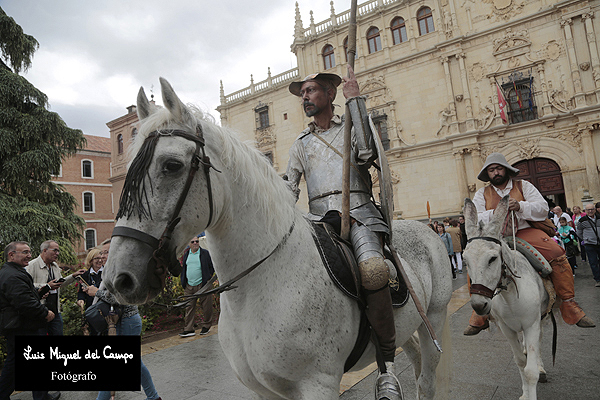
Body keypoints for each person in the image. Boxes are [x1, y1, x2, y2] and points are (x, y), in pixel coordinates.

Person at [284, 67, 401, 398]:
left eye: (311, 91)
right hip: (319, 220)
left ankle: (388, 368)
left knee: (374, 271)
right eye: (303, 93)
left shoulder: (350, 125)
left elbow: (366, 154)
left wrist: (356, 102)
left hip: (360, 213)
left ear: (330, 94)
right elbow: (289, 188)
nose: (305, 97)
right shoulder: (300, 143)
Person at [464, 153, 594, 335]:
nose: (496, 172)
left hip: (525, 232)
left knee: (556, 253)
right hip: (494, 236)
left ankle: (568, 303)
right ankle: (479, 314)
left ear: (506, 169)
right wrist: (499, 211)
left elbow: (542, 209)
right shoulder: (481, 193)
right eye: (492, 170)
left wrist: (521, 206)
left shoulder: (523, 185)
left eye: (499, 168)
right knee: (476, 259)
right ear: (488, 173)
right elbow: (477, 217)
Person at [84, 240, 162, 400]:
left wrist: (97, 292)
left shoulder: (123, 271)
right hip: (118, 323)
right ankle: (154, 397)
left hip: (127, 322)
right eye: (102, 252)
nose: (103, 255)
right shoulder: (110, 270)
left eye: (107, 252)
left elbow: (123, 298)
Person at [0, 242, 59, 400]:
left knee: (14, 365)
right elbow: (24, 303)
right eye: (25, 252)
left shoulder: (13, 272)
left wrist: (38, 294)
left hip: (20, 326)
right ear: (11, 255)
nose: (29, 255)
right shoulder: (12, 275)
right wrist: (45, 313)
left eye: (29, 251)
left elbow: (20, 299)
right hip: (23, 327)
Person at [25, 240, 84, 336]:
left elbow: (59, 283)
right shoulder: (32, 265)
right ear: (45, 250)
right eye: (55, 250)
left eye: (58, 251)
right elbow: (27, 286)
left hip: (55, 310)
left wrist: (73, 276)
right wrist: (47, 286)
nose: (57, 253)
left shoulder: (54, 266)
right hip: (40, 311)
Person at [179, 235, 215, 337]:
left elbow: (211, 266)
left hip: (202, 285)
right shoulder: (186, 254)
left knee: (206, 307)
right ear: (189, 244)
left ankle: (206, 326)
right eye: (193, 242)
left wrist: (208, 278)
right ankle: (189, 329)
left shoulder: (205, 253)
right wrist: (184, 282)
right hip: (189, 286)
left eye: (197, 241)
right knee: (189, 307)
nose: (195, 243)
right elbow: (184, 268)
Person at [576, 204, 600, 287]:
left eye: (592, 209)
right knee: (593, 262)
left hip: (599, 243)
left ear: (595, 209)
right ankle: (598, 279)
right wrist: (586, 239)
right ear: (585, 211)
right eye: (588, 209)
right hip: (590, 244)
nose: (590, 211)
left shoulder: (599, 217)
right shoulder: (582, 220)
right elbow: (578, 232)